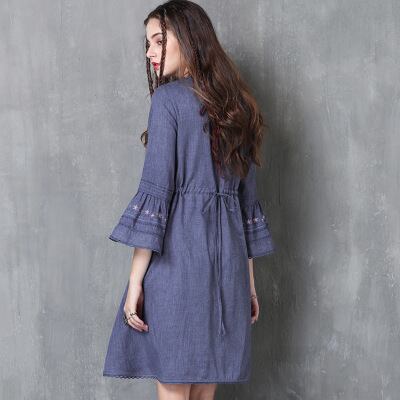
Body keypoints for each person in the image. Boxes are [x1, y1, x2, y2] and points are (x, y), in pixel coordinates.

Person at [102, 1, 276, 399]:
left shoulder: (168, 101)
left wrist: (135, 283)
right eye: (147, 44)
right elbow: (246, 209)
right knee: (202, 394)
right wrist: (248, 286)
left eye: (158, 40)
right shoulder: (239, 107)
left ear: (188, 38)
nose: (150, 52)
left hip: (177, 270)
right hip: (228, 278)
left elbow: (157, 194)